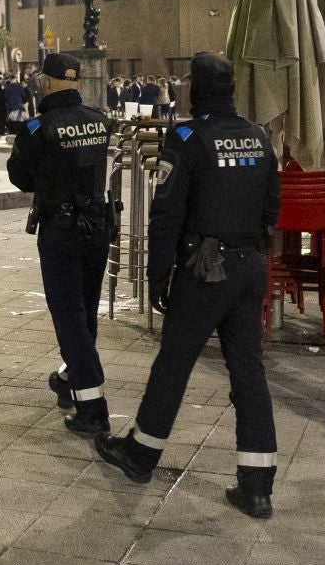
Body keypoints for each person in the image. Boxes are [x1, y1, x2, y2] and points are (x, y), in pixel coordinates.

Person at [94, 52, 281, 518]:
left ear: (196, 89)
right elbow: (271, 207)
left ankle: (141, 453)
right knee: (248, 370)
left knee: (174, 363)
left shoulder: (188, 137)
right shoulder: (259, 136)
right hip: (248, 265)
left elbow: (167, 213)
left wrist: (158, 274)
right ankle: (257, 483)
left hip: (204, 268)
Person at [7, 53, 116, 435]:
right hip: (98, 227)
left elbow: (20, 177)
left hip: (62, 230)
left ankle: (93, 407)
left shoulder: (38, 128)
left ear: (49, 82)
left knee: (68, 317)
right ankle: (71, 377)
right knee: (84, 311)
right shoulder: (100, 122)